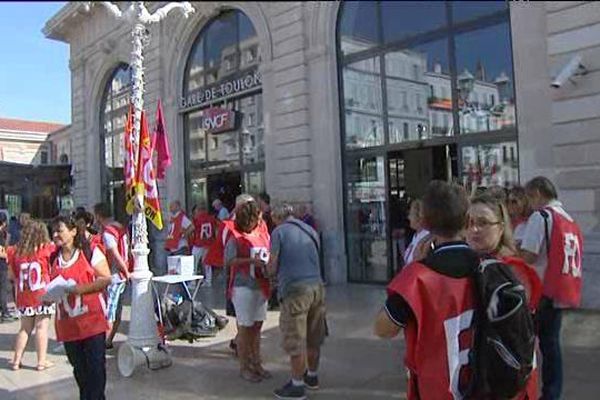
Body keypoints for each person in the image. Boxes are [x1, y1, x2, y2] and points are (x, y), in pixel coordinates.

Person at [374, 180, 479, 399]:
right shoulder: (487, 267)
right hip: (481, 384)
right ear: (468, 221)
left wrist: (411, 268)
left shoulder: (417, 277)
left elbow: (383, 328)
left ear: (426, 223)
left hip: (435, 387)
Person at [466, 193, 541, 399]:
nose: (473, 229)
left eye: (483, 223)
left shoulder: (513, 269)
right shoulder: (473, 266)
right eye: (469, 222)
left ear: (500, 227)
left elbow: (518, 336)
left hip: (510, 383)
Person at [518, 177, 583, 400]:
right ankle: (552, 392)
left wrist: (511, 254)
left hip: (539, 289)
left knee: (526, 343)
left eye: (528, 197)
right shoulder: (568, 218)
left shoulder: (541, 216)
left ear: (537, 193)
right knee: (551, 345)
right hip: (559, 288)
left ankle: (531, 391)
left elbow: (529, 254)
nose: (528, 203)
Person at [267, 203, 327, 400]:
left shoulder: (279, 232)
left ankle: (297, 386)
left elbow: (273, 264)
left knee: (296, 338)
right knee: (314, 336)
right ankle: (312, 377)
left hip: (295, 290)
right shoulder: (309, 229)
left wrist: (267, 270)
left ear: (277, 218)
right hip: (317, 287)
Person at [49, 216, 111, 400]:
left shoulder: (90, 251)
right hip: (68, 326)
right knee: (80, 372)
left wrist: (79, 289)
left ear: (73, 231)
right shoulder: (54, 257)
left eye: (59, 230)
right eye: (53, 231)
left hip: (92, 323)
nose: (55, 235)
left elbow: (106, 278)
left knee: (96, 371)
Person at [224, 198, 271, 382]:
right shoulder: (235, 235)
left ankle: (256, 362)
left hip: (261, 285)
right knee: (245, 327)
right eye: (258, 216)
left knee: (257, 327)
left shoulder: (262, 233)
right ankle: (244, 366)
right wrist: (251, 261)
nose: (261, 219)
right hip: (243, 286)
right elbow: (229, 260)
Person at [0, 221, 55, 370]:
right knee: (42, 327)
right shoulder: (47, 249)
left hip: (24, 295)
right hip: (43, 294)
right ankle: (41, 361)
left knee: (24, 328)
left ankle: (16, 360)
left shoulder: (15, 252)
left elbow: (12, 276)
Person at [93, 203, 131, 350]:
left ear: (98, 215)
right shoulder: (120, 227)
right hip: (121, 274)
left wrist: (124, 270)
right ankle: (108, 341)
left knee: (109, 311)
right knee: (117, 309)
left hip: (114, 274)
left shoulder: (108, 232)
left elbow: (115, 255)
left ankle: (104, 342)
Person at [190, 203, 217, 287]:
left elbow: (191, 228)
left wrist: (183, 233)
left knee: (193, 263)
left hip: (198, 244)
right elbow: (216, 230)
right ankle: (208, 281)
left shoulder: (197, 219)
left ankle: (193, 282)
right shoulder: (211, 219)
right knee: (207, 264)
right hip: (208, 244)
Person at [403, 199, 432, 265]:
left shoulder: (426, 238)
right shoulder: (416, 236)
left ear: (419, 217)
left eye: (410, 214)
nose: (408, 217)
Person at [0, 213, 18, 322]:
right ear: (4, 222)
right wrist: (9, 256)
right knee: (2, 289)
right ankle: (5, 313)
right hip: (1, 265)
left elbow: (4, 247)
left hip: (2, 264)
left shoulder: (3, 234)